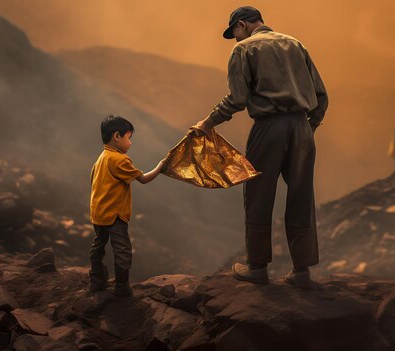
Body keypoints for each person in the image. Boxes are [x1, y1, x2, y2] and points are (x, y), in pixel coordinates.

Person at [191, 6, 329, 288]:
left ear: (241, 25)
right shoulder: (295, 43)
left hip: (269, 127)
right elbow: (321, 95)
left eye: (235, 34)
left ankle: (257, 267)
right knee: (301, 195)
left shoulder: (244, 50)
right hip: (301, 127)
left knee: (258, 194)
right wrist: (309, 127)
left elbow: (237, 98)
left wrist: (208, 123)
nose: (236, 40)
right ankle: (302, 271)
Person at [89, 115, 166, 296]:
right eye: (128, 138)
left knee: (98, 246)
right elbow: (143, 179)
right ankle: (122, 287)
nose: (130, 143)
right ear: (117, 136)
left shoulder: (101, 158)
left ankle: (96, 281)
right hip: (114, 215)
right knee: (122, 250)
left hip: (98, 212)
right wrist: (161, 166)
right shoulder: (119, 160)